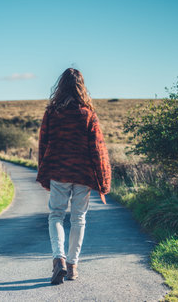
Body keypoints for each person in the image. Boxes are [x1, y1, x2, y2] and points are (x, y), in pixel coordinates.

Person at [36, 68, 111, 285]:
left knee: (56, 215)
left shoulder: (52, 113)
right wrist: (102, 179)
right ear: (81, 87)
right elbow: (98, 149)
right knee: (79, 218)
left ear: (60, 86)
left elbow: (43, 144)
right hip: (83, 174)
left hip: (59, 171)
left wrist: (44, 170)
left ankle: (58, 259)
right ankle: (72, 266)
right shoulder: (88, 114)